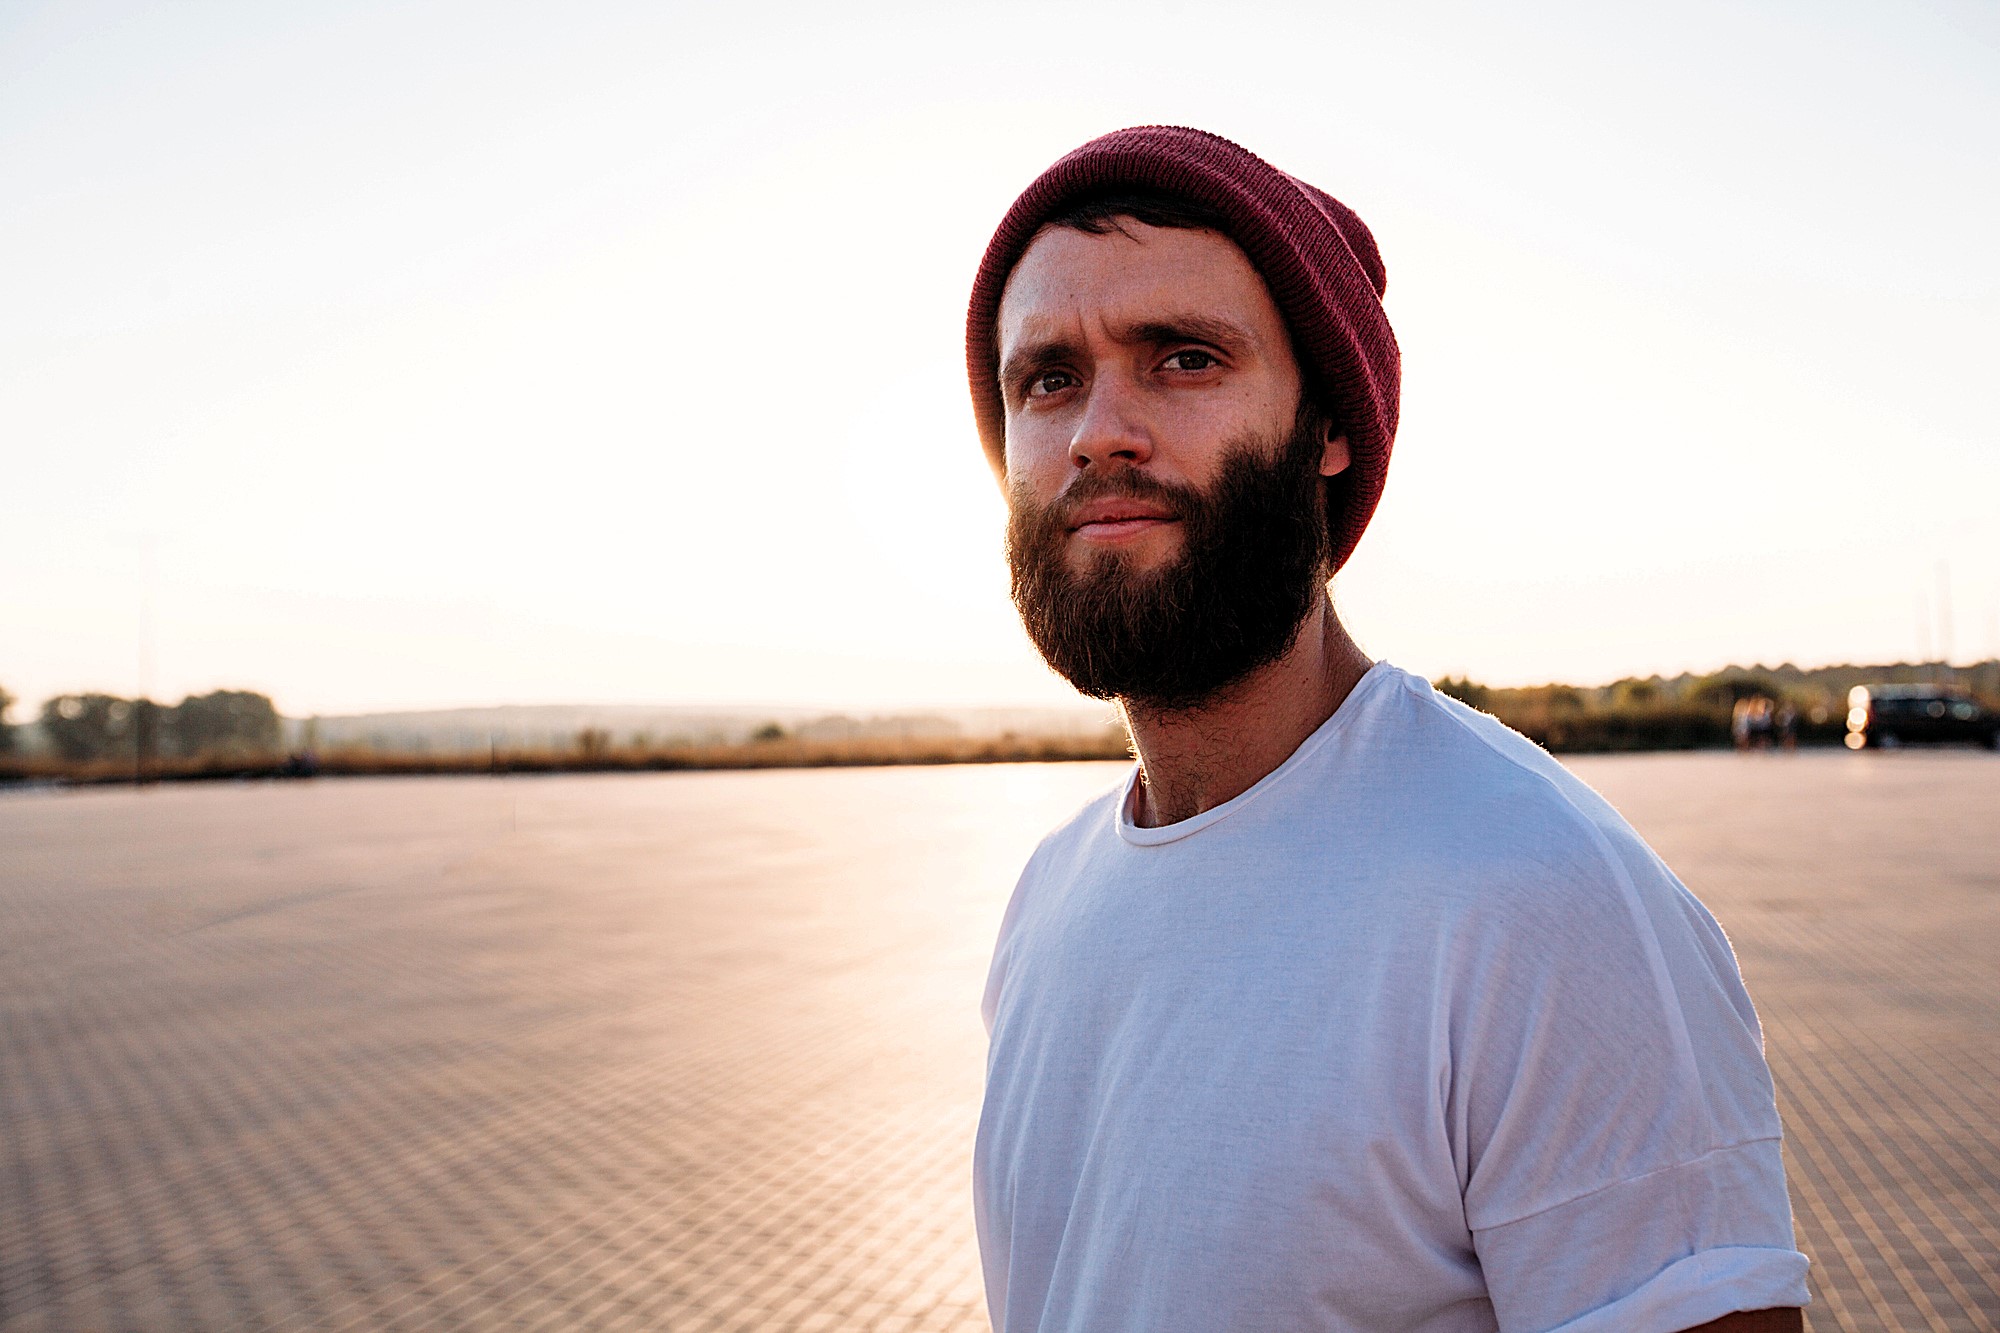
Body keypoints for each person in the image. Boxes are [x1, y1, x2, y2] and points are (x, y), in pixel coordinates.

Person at [964, 127, 1809, 1333]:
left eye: (1184, 358)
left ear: (1327, 429)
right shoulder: (1044, 903)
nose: (1100, 428)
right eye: (1045, 378)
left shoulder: (1537, 895)